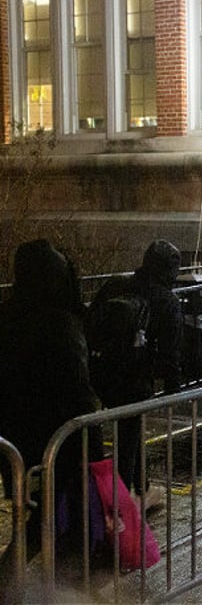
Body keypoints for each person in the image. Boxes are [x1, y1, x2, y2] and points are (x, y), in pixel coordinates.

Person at [0, 240, 103, 592]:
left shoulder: (7, 315)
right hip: (56, 440)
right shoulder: (62, 323)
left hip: (13, 438)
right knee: (54, 515)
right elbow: (77, 389)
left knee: (30, 511)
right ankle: (39, 585)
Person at [89, 240, 183, 511]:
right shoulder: (167, 300)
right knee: (128, 438)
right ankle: (121, 505)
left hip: (102, 371)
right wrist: (173, 388)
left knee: (130, 432)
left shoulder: (115, 285)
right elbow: (170, 351)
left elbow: (91, 321)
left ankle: (141, 489)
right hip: (135, 378)